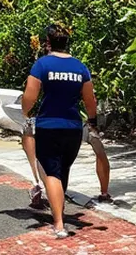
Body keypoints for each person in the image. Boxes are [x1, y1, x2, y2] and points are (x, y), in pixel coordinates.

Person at [21, 23, 97, 239]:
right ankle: (59, 210)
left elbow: (30, 96)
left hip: (49, 126)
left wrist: (25, 113)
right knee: (63, 170)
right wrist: (93, 121)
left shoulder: (42, 65)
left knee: (52, 172)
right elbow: (90, 100)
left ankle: (59, 223)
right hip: (72, 128)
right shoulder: (80, 67)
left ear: (48, 43)